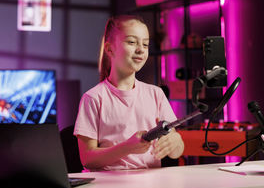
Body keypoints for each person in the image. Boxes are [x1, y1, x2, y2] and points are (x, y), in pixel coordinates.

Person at [74, 15, 184, 171]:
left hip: (150, 186)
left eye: (145, 44)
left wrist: (176, 141)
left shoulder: (155, 94)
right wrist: (126, 148)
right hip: (108, 187)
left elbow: (177, 151)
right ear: (109, 48)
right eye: (132, 42)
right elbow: (87, 159)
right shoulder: (93, 98)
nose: (140, 49)